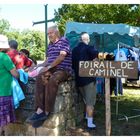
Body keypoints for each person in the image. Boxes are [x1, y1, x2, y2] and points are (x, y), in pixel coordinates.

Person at [28, 25, 72, 124]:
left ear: (56, 32)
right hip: (52, 68)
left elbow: (61, 57)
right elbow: (47, 60)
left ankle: (47, 111)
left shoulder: (64, 41)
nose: (49, 35)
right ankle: (39, 110)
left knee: (53, 80)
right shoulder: (50, 45)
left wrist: (48, 67)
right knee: (40, 76)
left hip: (63, 69)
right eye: (48, 33)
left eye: (50, 33)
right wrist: (37, 66)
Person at [72, 33, 105, 130]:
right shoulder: (89, 48)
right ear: (88, 39)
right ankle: (90, 123)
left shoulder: (74, 50)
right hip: (89, 79)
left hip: (78, 79)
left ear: (79, 40)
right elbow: (98, 56)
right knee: (90, 101)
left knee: (85, 100)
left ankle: (87, 117)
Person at [0, 34, 19, 135]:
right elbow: (15, 73)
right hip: (3, 92)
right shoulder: (4, 57)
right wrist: (22, 75)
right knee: (3, 121)